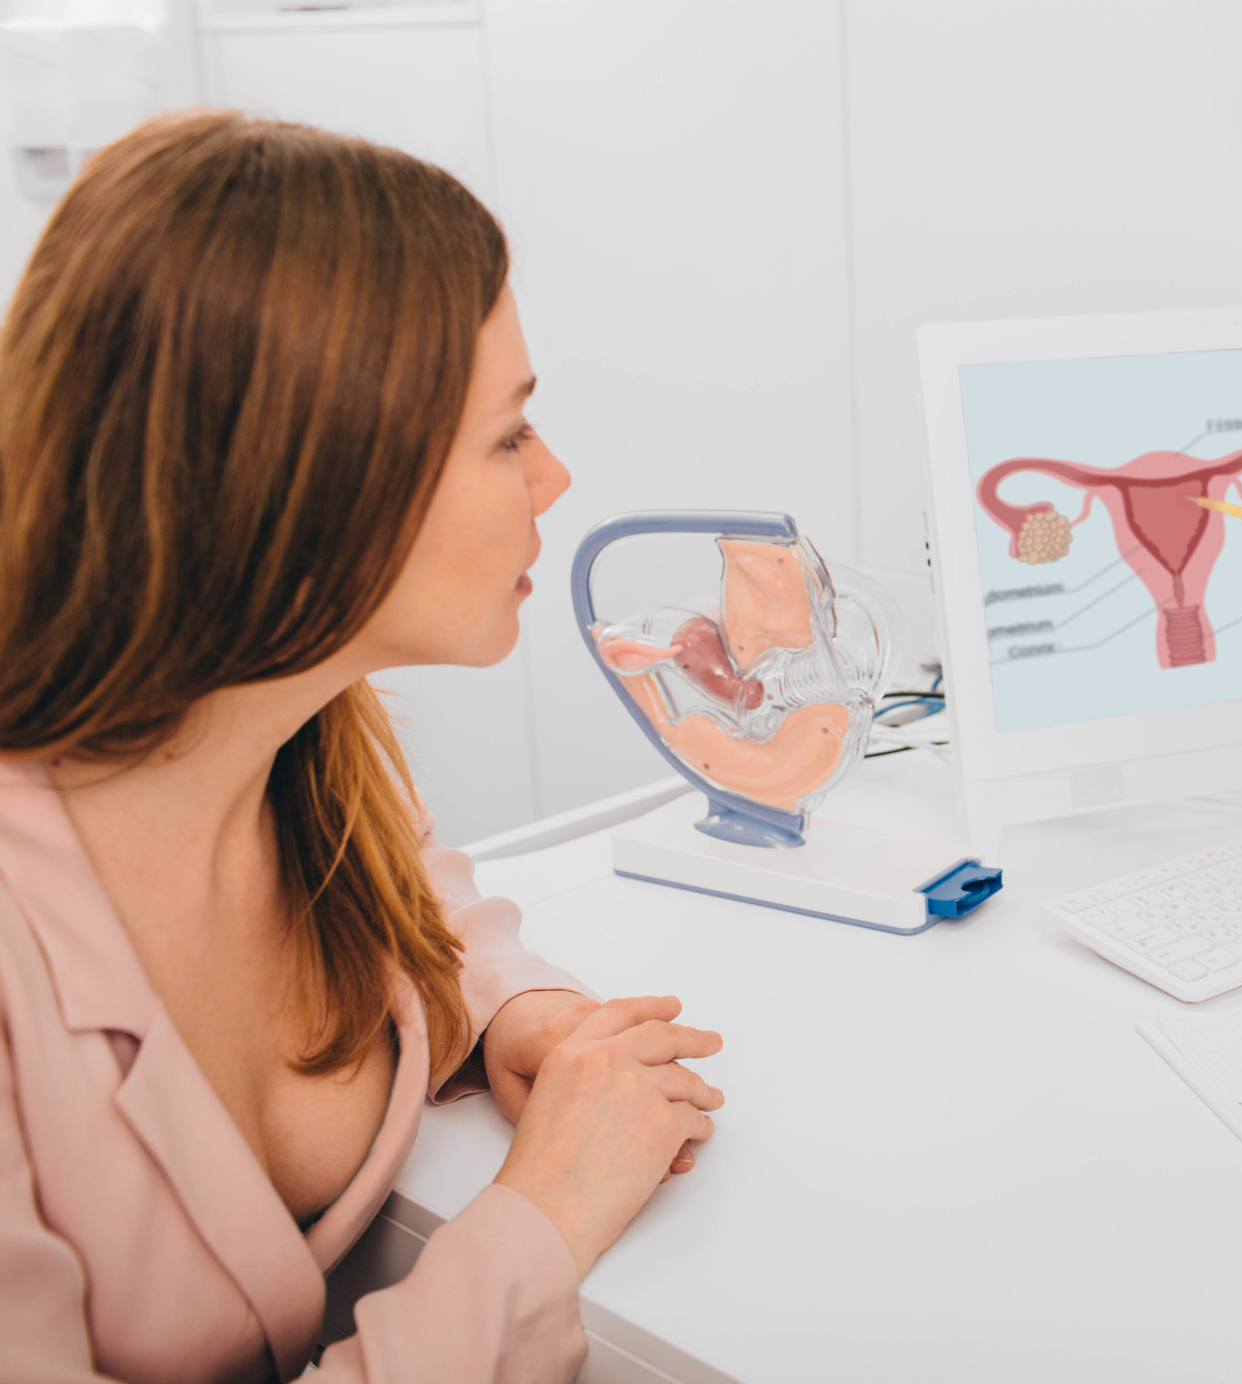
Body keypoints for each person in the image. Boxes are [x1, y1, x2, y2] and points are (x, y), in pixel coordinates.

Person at [0, 111, 724, 1381]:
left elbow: (424, 925)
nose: (553, 479)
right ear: (314, 479)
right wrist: (538, 1223)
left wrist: (516, 1015)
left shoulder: (309, 742)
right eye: (507, 435)